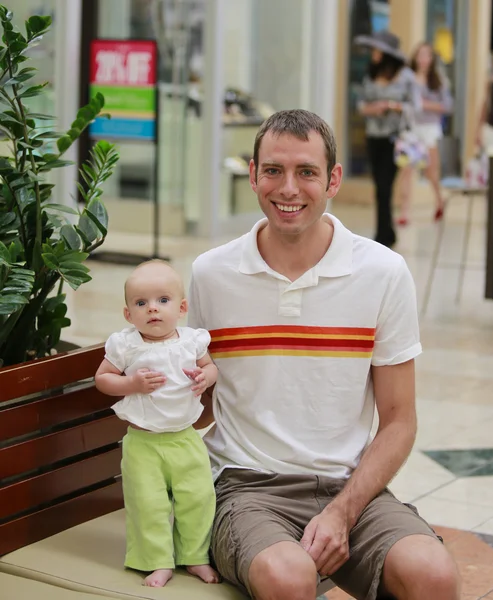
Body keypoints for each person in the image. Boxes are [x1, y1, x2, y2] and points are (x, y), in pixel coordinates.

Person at [188, 109, 460, 600]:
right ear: (252, 175)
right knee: (289, 576)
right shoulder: (212, 274)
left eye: (306, 172)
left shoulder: (383, 272)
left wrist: (342, 511)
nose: (287, 188)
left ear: (333, 179)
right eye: (273, 170)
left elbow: (399, 420)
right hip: (245, 488)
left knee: (433, 575)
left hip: (350, 487)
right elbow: (200, 404)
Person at [94, 260, 219, 588]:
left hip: (186, 439)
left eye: (162, 301)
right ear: (128, 314)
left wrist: (203, 377)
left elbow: (211, 369)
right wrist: (131, 384)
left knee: (198, 498)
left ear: (181, 307)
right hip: (143, 444)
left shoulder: (192, 341)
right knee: (147, 504)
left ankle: (194, 556)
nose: (152, 309)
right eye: (141, 303)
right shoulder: (126, 345)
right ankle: (157, 561)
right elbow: (103, 379)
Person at [355, 30, 422, 248]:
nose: (373, 53)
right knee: (378, 186)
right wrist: (373, 108)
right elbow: (361, 105)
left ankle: (384, 234)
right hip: (374, 136)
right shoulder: (370, 75)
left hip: (395, 138)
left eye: (377, 49)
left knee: (385, 185)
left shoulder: (406, 77)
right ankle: (384, 232)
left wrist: (392, 106)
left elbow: (416, 107)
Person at [397, 42, 453, 226]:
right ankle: (405, 211)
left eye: (426, 55)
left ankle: (439, 199)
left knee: (431, 170)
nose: (422, 59)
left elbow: (446, 106)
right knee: (407, 170)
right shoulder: (407, 78)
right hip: (411, 129)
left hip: (430, 129)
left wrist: (424, 104)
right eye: (420, 55)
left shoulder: (438, 81)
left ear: (432, 59)